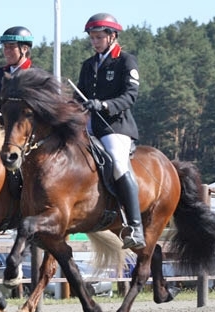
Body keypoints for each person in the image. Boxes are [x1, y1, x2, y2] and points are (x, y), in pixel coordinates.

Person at [75, 13, 145, 249]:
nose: (94, 42)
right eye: (92, 38)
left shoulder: (126, 61)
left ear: (112, 36)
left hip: (116, 127)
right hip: (90, 126)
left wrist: (104, 105)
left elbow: (130, 96)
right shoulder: (89, 65)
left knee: (117, 162)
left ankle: (135, 226)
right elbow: (79, 95)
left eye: (98, 37)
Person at [0, 26, 34, 125]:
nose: (7, 51)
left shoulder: (35, 75)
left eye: (11, 47)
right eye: (5, 47)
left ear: (24, 49)